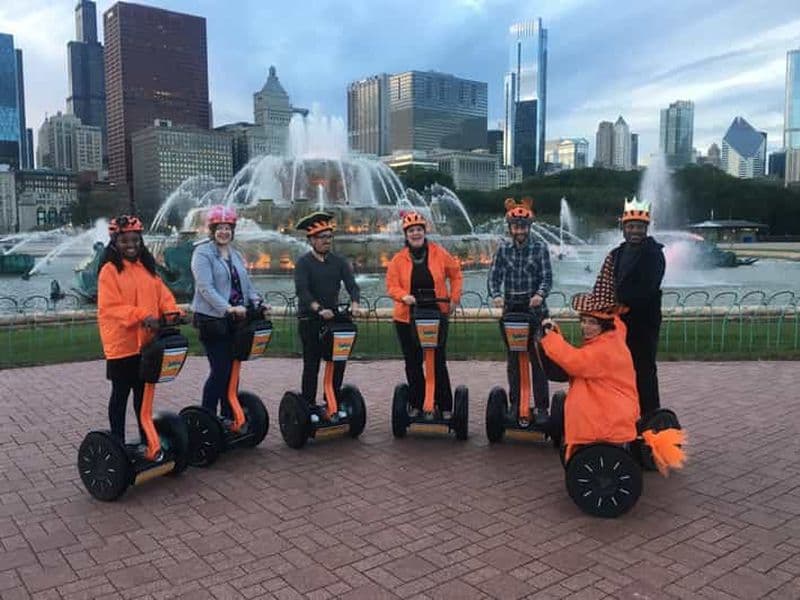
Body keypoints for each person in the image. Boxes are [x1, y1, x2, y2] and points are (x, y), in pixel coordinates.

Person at [539, 292, 685, 475]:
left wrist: (550, 339)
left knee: (581, 411)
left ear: (605, 325)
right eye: (583, 321)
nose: (585, 327)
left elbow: (575, 362)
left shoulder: (604, 350)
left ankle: (590, 453)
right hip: (614, 403)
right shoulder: (613, 335)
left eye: (592, 323)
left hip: (610, 413)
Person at [97, 215, 179, 444]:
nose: (131, 245)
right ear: (115, 242)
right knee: (120, 395)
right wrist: (143, 316)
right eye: (125, 241)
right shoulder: (109, 271)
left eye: (135, 240)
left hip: (146, 344)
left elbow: (163, 295)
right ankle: (117, 443)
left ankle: (147, 439)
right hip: (122, 346)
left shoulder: (147, 269)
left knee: (142, 397)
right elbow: (111, 307)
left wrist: (173, 313)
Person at [191, 205, 265, 421]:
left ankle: (228, 415)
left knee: (233, 370)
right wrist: (227, 308)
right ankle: (207, 418)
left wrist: (257, 301)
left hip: (236, 321)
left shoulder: (235, 254)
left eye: (228, 228)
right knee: (220, 370)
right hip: (212, 321)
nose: (224, 232)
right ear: (212, 230)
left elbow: (246, 285)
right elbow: (205, 287)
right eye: (219, 228)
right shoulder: (202, 253)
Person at [386, 211, 463, 418]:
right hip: (406, 317)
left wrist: (455, 298)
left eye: (419, 229)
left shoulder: (439, 253)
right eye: (411, 230)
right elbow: (391, 286)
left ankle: (445, 405)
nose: (416, 233)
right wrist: (404, 296)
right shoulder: (398, 260)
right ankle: (417, 403)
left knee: (437, 360)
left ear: (424, 231)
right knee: (413, 361)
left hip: (436, 313)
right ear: (406, 234)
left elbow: (455, 274)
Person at [593, 198, 665, 418]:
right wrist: (597, 304)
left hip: (642, 323)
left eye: (640, 227)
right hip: (618, 322)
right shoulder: (616, 254)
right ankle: (621, 411)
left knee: (644, 369)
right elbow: (605, 282)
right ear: (623, 228)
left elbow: (648, 288)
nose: (635, 231)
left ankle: (650, 415)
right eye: (631, 226)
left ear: (646, 228)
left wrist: (621, 304)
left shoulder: (654, 254)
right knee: (617, 369)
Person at [487, 197, 553, 426]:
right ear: (510, 228)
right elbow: (494, 276)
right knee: (514, 360)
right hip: (512, 311)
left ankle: (542, 407)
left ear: (529, 227)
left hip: (535, 312)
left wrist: (539, 295)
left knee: (538, 361)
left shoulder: (540, 247)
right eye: (516, 226)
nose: (520, 230)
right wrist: (496, 295)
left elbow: (547, 277)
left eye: (523, 226)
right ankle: (516, 403)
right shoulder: (503, 249)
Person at [294, 211, 361, 409]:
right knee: (312, 365)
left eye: (329, 237)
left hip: (334, 319)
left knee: (338, 361)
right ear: (311, 240)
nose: (326, 241)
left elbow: (352, 285)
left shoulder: (338, 261)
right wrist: (318, 309)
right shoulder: (303, 263)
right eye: (322, 237)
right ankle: (308, 404)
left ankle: (331, 398)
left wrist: (355, 303)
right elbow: (303, 291)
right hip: (311, 320)